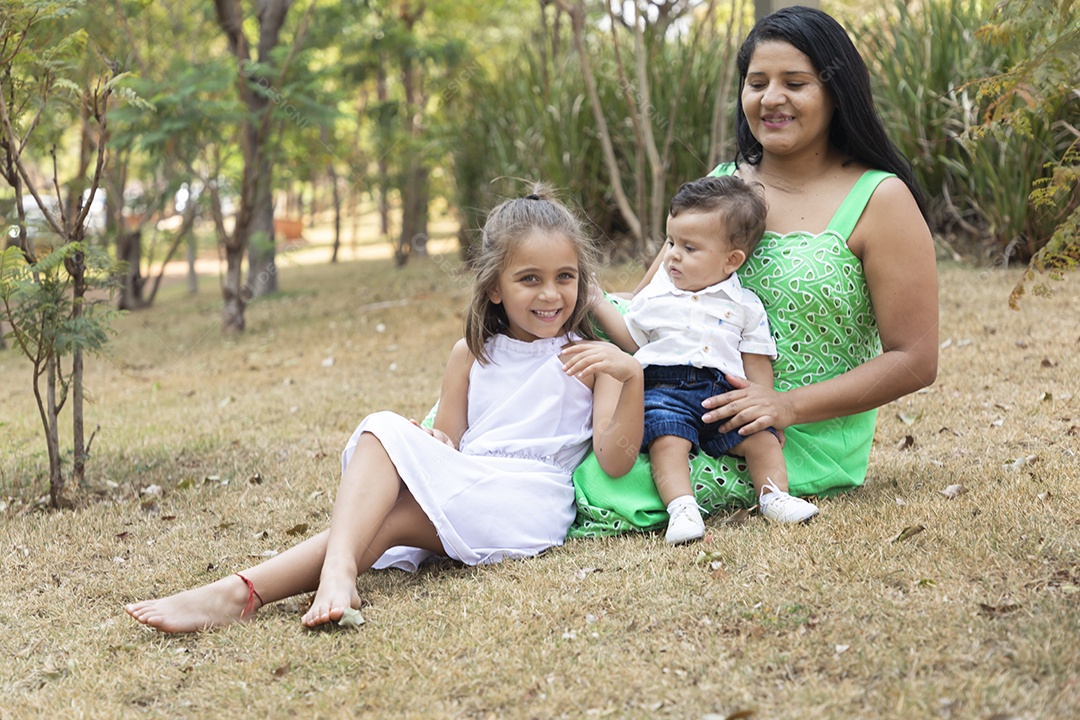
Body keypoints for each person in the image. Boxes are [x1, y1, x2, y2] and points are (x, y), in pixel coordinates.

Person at [125, 188, 644, 632]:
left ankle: (267, 586)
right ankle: (278, 586)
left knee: (396, 511)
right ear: (493, 288)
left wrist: (630, 373)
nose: (551, 294)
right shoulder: (471, 354)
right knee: (381, 436)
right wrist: (436, 445)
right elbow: (448, 440)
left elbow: (615, 459)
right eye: (530, 279)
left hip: (527, 501)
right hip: (470, 477)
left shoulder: (588, 356)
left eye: (565, 277)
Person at [570, 5, 938, 538]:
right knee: (537, 422)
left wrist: (784, 405)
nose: (771, 99)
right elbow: (652, 303)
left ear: (837, 91)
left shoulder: (880, 198)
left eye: (796, 82)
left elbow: (915, 359)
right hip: (672, 397)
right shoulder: (723, 188)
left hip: (790, 435)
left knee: (597, 487)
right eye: (756, 82)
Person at [590, 176, 819, 543]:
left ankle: (774, 496)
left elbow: (756, 360)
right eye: (670, 241)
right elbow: (632, 341)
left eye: (689, 248)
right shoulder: (656, 297)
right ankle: (682, 508)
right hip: (664, 388)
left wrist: (762, 403)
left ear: (732, 260)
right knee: (667, 438)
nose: (672, 255)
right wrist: (598, 302)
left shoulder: (745, 305)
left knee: (762, 438)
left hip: (723, 392)